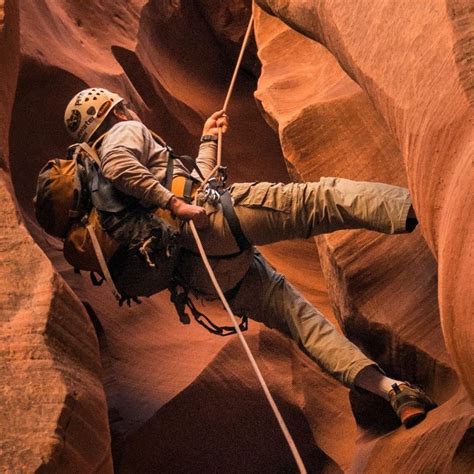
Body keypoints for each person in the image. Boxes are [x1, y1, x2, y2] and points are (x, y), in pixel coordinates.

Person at [64, 87, 436, 428]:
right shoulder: (120, 134)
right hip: (214, 224)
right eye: (122, 106)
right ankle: (434, 207)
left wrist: (208, 139)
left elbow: (192, 179)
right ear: (113, 112)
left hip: (203, 274)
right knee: (320, 201)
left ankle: (393, 391)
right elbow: (125, 168)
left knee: (299, 320)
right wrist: (175, 203)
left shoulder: (107, 198)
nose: (129, 109)